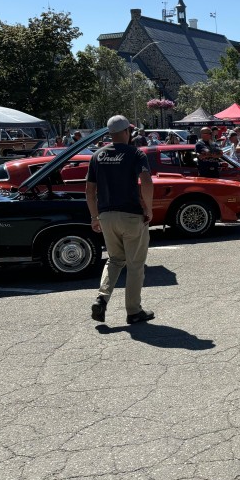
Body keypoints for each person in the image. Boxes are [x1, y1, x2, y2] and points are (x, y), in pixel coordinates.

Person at [86, 115, 154, 325]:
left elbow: (89, 191)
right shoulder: (135, 153)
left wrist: (94, 217)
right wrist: (149, 208)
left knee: (115, 259)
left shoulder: (97, 155)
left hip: (106, 216)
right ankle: (133, 311)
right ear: (126, 132)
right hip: (131, 215)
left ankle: (101, 298)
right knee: (135, 265)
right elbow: (146, 181)